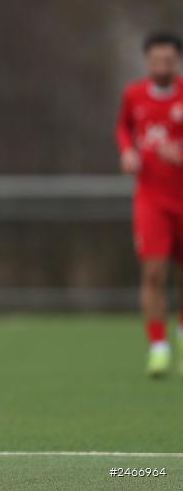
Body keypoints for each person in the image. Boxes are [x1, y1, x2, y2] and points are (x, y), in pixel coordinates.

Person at [116, 31, 183, 377]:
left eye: (168, 61)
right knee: (154, 273)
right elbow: (123, 129)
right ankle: (158, 347)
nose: (162, 66)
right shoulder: (134, 95)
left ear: (177, 61)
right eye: (156, 60)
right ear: (147, 61)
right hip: (150, 199)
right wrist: (127, 152)